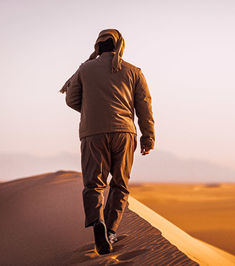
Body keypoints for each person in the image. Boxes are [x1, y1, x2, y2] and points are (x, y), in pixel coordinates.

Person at [60, 29, 155, 255]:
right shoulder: (134, 71)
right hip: (125, 134)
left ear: (97, 47)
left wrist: (92, 109)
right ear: (119, 45)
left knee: (94, 184)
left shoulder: (84, 69)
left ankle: (98, 224)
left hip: (93, 133)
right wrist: (148, 136)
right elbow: (144, 107)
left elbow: (71, 98)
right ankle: (111, 230)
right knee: (120, 184)